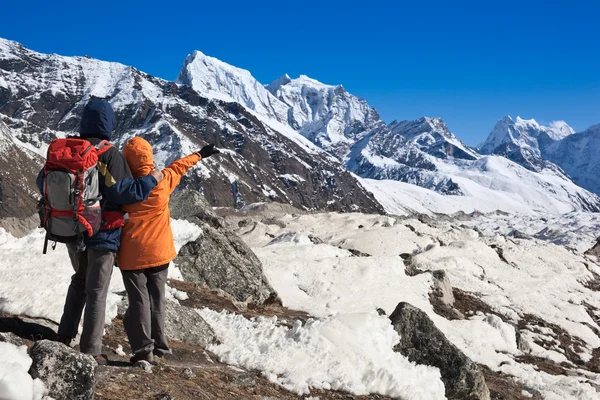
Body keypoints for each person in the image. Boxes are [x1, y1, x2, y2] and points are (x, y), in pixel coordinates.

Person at [37, 98, 164, 364]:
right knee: (97, 290)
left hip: (72, 228)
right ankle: (91, 350)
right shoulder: (109, 153)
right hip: (103, 233)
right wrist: (153, 179)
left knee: (80, 281)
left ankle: (64, 335)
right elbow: (125, 192)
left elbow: (42, 181)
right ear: (109, 123)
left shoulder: (69, 149)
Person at [117, 136, 219, 363]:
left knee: (139, 301)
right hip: (160, 252)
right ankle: (161, 347)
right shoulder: (163, 180)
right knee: (157, 299)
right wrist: (200, 154)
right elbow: (179, 166)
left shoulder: (124, 188)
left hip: (132, 255)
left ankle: (144, 350)